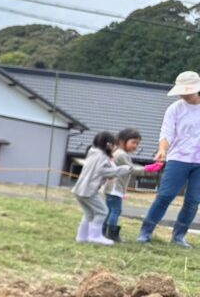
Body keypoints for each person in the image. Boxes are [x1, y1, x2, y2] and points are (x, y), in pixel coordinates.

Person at [137, 70, 200, 248]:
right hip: (178, 158)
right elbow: (167, 132)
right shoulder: (175, 109)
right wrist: (162, 150)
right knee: (165, 195)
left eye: (188, 91)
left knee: (193, 201)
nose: (184, 95)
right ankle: (145, 232)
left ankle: (179, 236)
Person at [71, 131, 131, 246]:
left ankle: (82, 236)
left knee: (89, 213)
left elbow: (104, 171)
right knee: (102, 211)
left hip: (80, 189)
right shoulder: (102, 156)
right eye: (114, 145)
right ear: (108, 145)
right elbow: (106, 171)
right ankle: (95, 236)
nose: (115, 148)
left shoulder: (93, 152)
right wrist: (125, 169)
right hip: (88, 191)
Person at [101, 128, 146, 242]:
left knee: (109, 210)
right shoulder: (121, 154)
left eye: (138, 143)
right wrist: (147, 169)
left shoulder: (117, 152)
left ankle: (102, 232)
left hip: (111, 187)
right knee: (116, 210)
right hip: (115, 187)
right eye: (133, 142)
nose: (136, 146)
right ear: (122, 141)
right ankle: (112, 234)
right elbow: (131, 169)